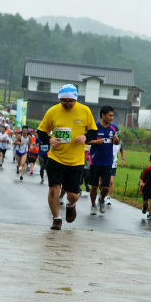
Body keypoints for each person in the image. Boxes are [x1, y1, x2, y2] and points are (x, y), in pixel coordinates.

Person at [36, 84, 97, 230]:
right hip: (56, 158)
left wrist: (85, 136)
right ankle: (56, 219)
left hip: (75, 161)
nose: (68, 104)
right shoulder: (52, 111)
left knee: (72, 194)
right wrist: (49, 139)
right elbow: (41, 131)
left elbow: (93, 131)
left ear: (76, 99)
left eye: (71, 101)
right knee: (53, 190)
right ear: (60, 99)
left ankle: (71, 205)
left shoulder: (85, 110)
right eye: (65, 101)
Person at [88, 106, 120, 215]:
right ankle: (93, 205)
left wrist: (116, 141)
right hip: (95, 161)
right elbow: (86, 141)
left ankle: (101, 200)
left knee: (106, 187)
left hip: (107, 162)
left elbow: (117, 143)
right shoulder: (94, 127)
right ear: (103, 115)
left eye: (112, 115)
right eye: (109, 115)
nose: (111, 117)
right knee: (94, 186)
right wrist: (96, 142)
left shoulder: (114, 128)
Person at [107, 140, 125, 206]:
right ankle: (101, 193)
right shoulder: (107, 139)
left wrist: (123, 159)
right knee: (101, 181)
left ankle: (108, 197)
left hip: (113, 163)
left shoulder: (120, 142)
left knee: (111, 181)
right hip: (104, 162)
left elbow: (122, 151)